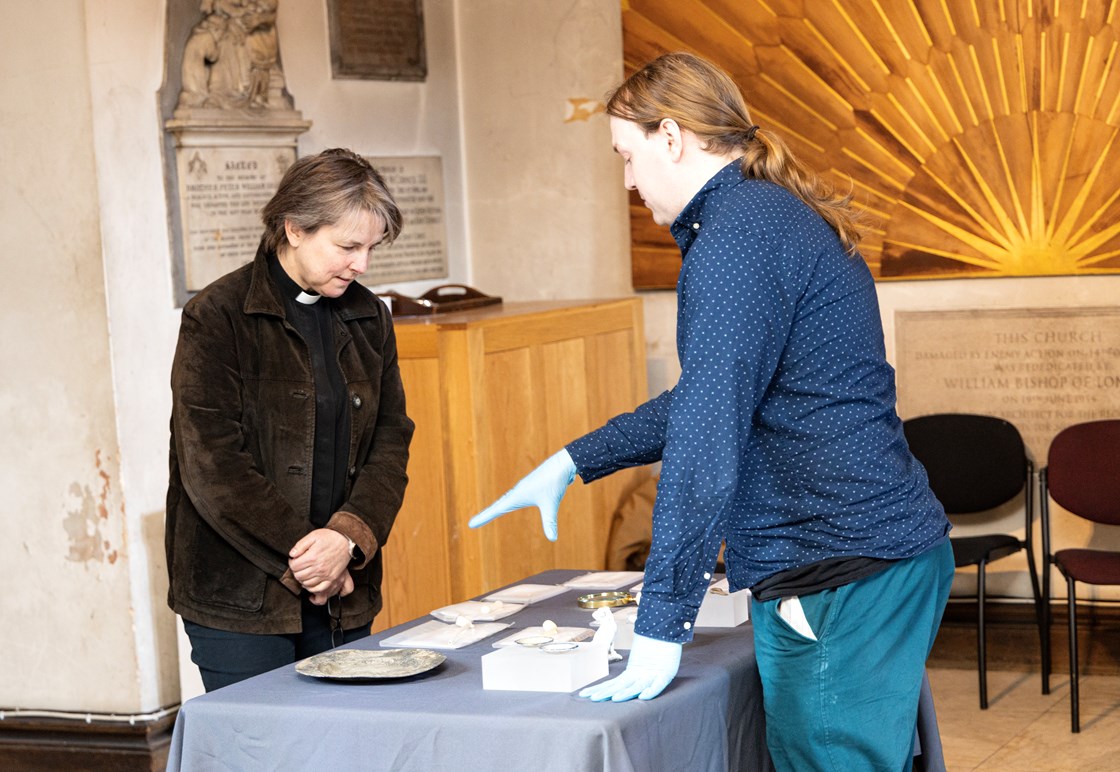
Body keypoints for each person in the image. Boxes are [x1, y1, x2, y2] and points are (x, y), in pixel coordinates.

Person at [469, 52, 953, 770]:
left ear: (672, 136)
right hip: (868, 550)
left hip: (839, 565)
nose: (628, 182)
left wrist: (662, 623)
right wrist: (576, 460)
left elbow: (705, 442)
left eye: (626, 157)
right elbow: (709, 399)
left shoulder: (735, 238)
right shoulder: (760, 216)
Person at [166, 148, 415, 691]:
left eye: (371, 248)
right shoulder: (218, 315)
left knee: (344, 745)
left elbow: (391, 441)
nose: (362, 265)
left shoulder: (368, 315)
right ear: (294, 228)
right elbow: (212, 466)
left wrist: (346, 542)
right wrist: (311, 557)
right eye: (348, 247)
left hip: (343, 590)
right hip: (240, 595)